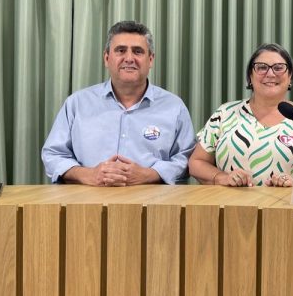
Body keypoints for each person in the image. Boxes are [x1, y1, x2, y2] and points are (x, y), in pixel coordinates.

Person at [41, 21, 196, 186]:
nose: (129, 59)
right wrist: (88, 175)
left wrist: (149, 175)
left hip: (152, 200)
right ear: (107, 58)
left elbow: (186, 159)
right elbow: (53, 154)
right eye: (121, 50)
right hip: (86, 200)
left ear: (150, 59)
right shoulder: (77, 104)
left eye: (137, 51)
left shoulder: (174, 107)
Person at [189, 43, 293, 187]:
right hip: (231, 200)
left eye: (278, 68)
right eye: (261, 67)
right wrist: (222, 178)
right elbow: (196, 162)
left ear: (290, 76)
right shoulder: (225, 113)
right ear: (250, 76)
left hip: (289, 201)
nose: (270, 74)